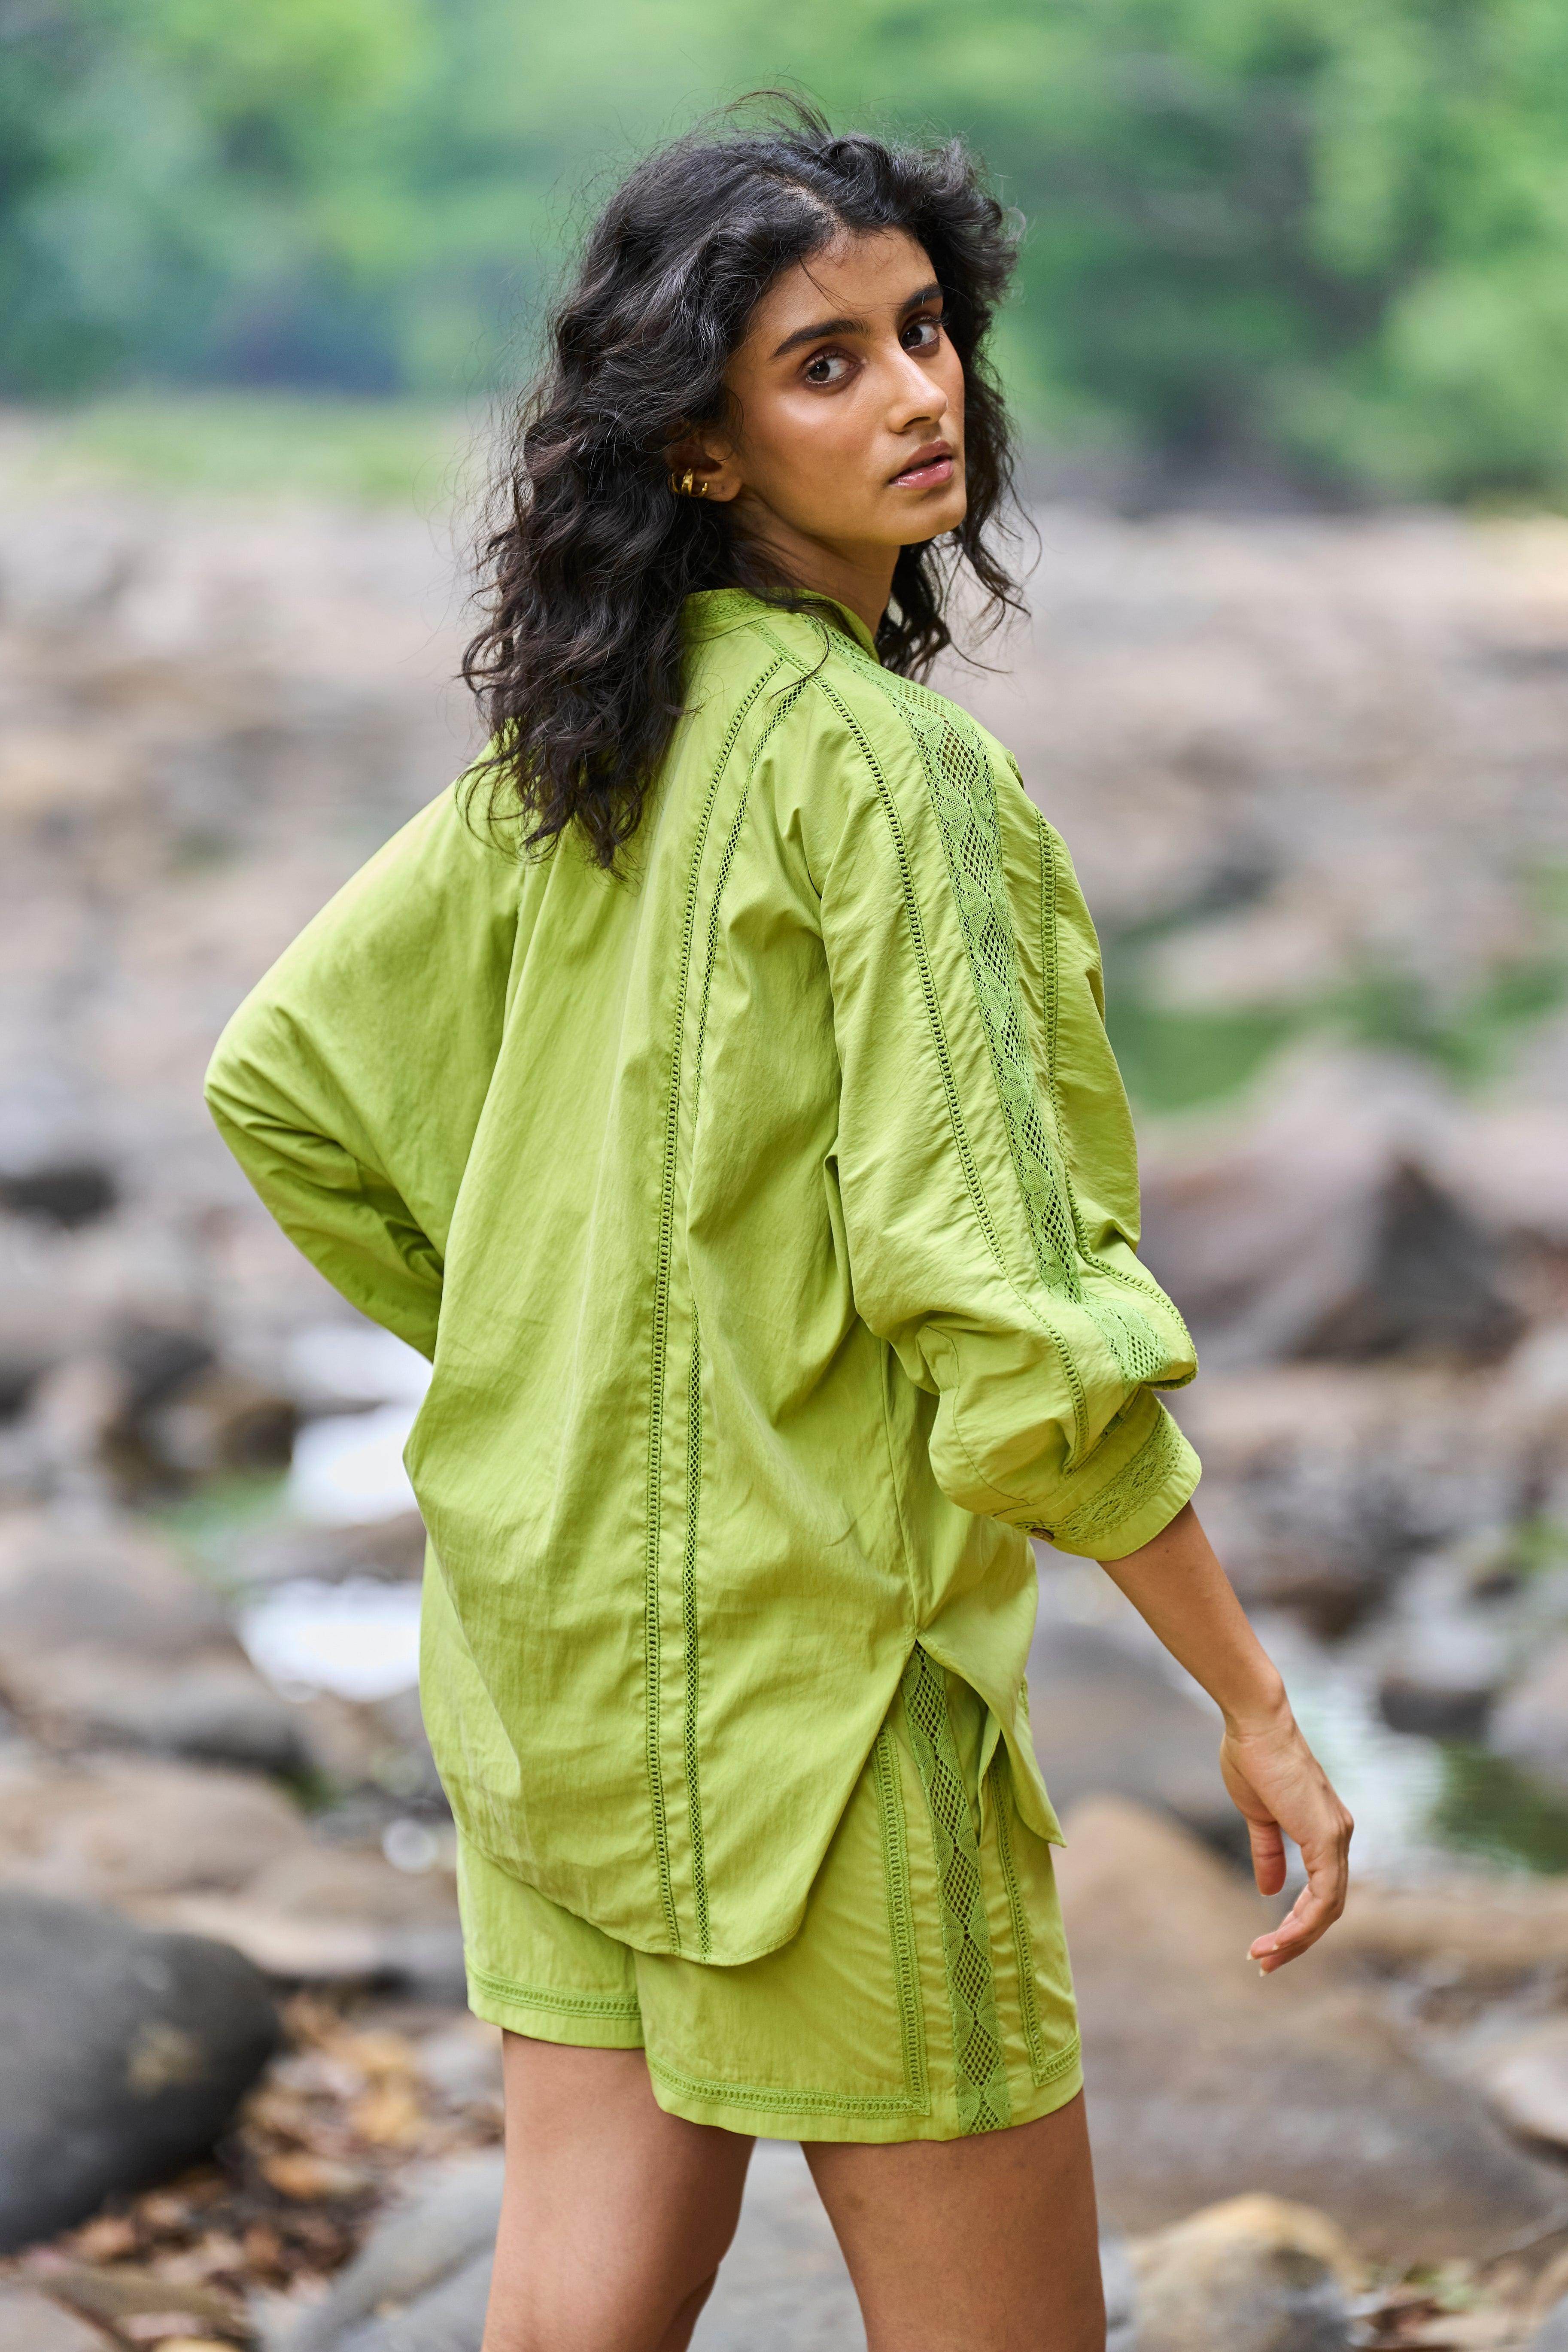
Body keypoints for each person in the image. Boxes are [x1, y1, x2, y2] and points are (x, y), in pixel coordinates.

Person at [205, 98, 1353, 2352]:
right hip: (826, 1703)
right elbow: (1009, 1314)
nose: (919, 394)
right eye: (825, 363)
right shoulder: (900, 780)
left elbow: (291, 1084)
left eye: (922, 331)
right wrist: (1249, 1697)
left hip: (546, 1645)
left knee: (572, 2318)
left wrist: (552, 1369)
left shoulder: (570, 755)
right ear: (702, 447)